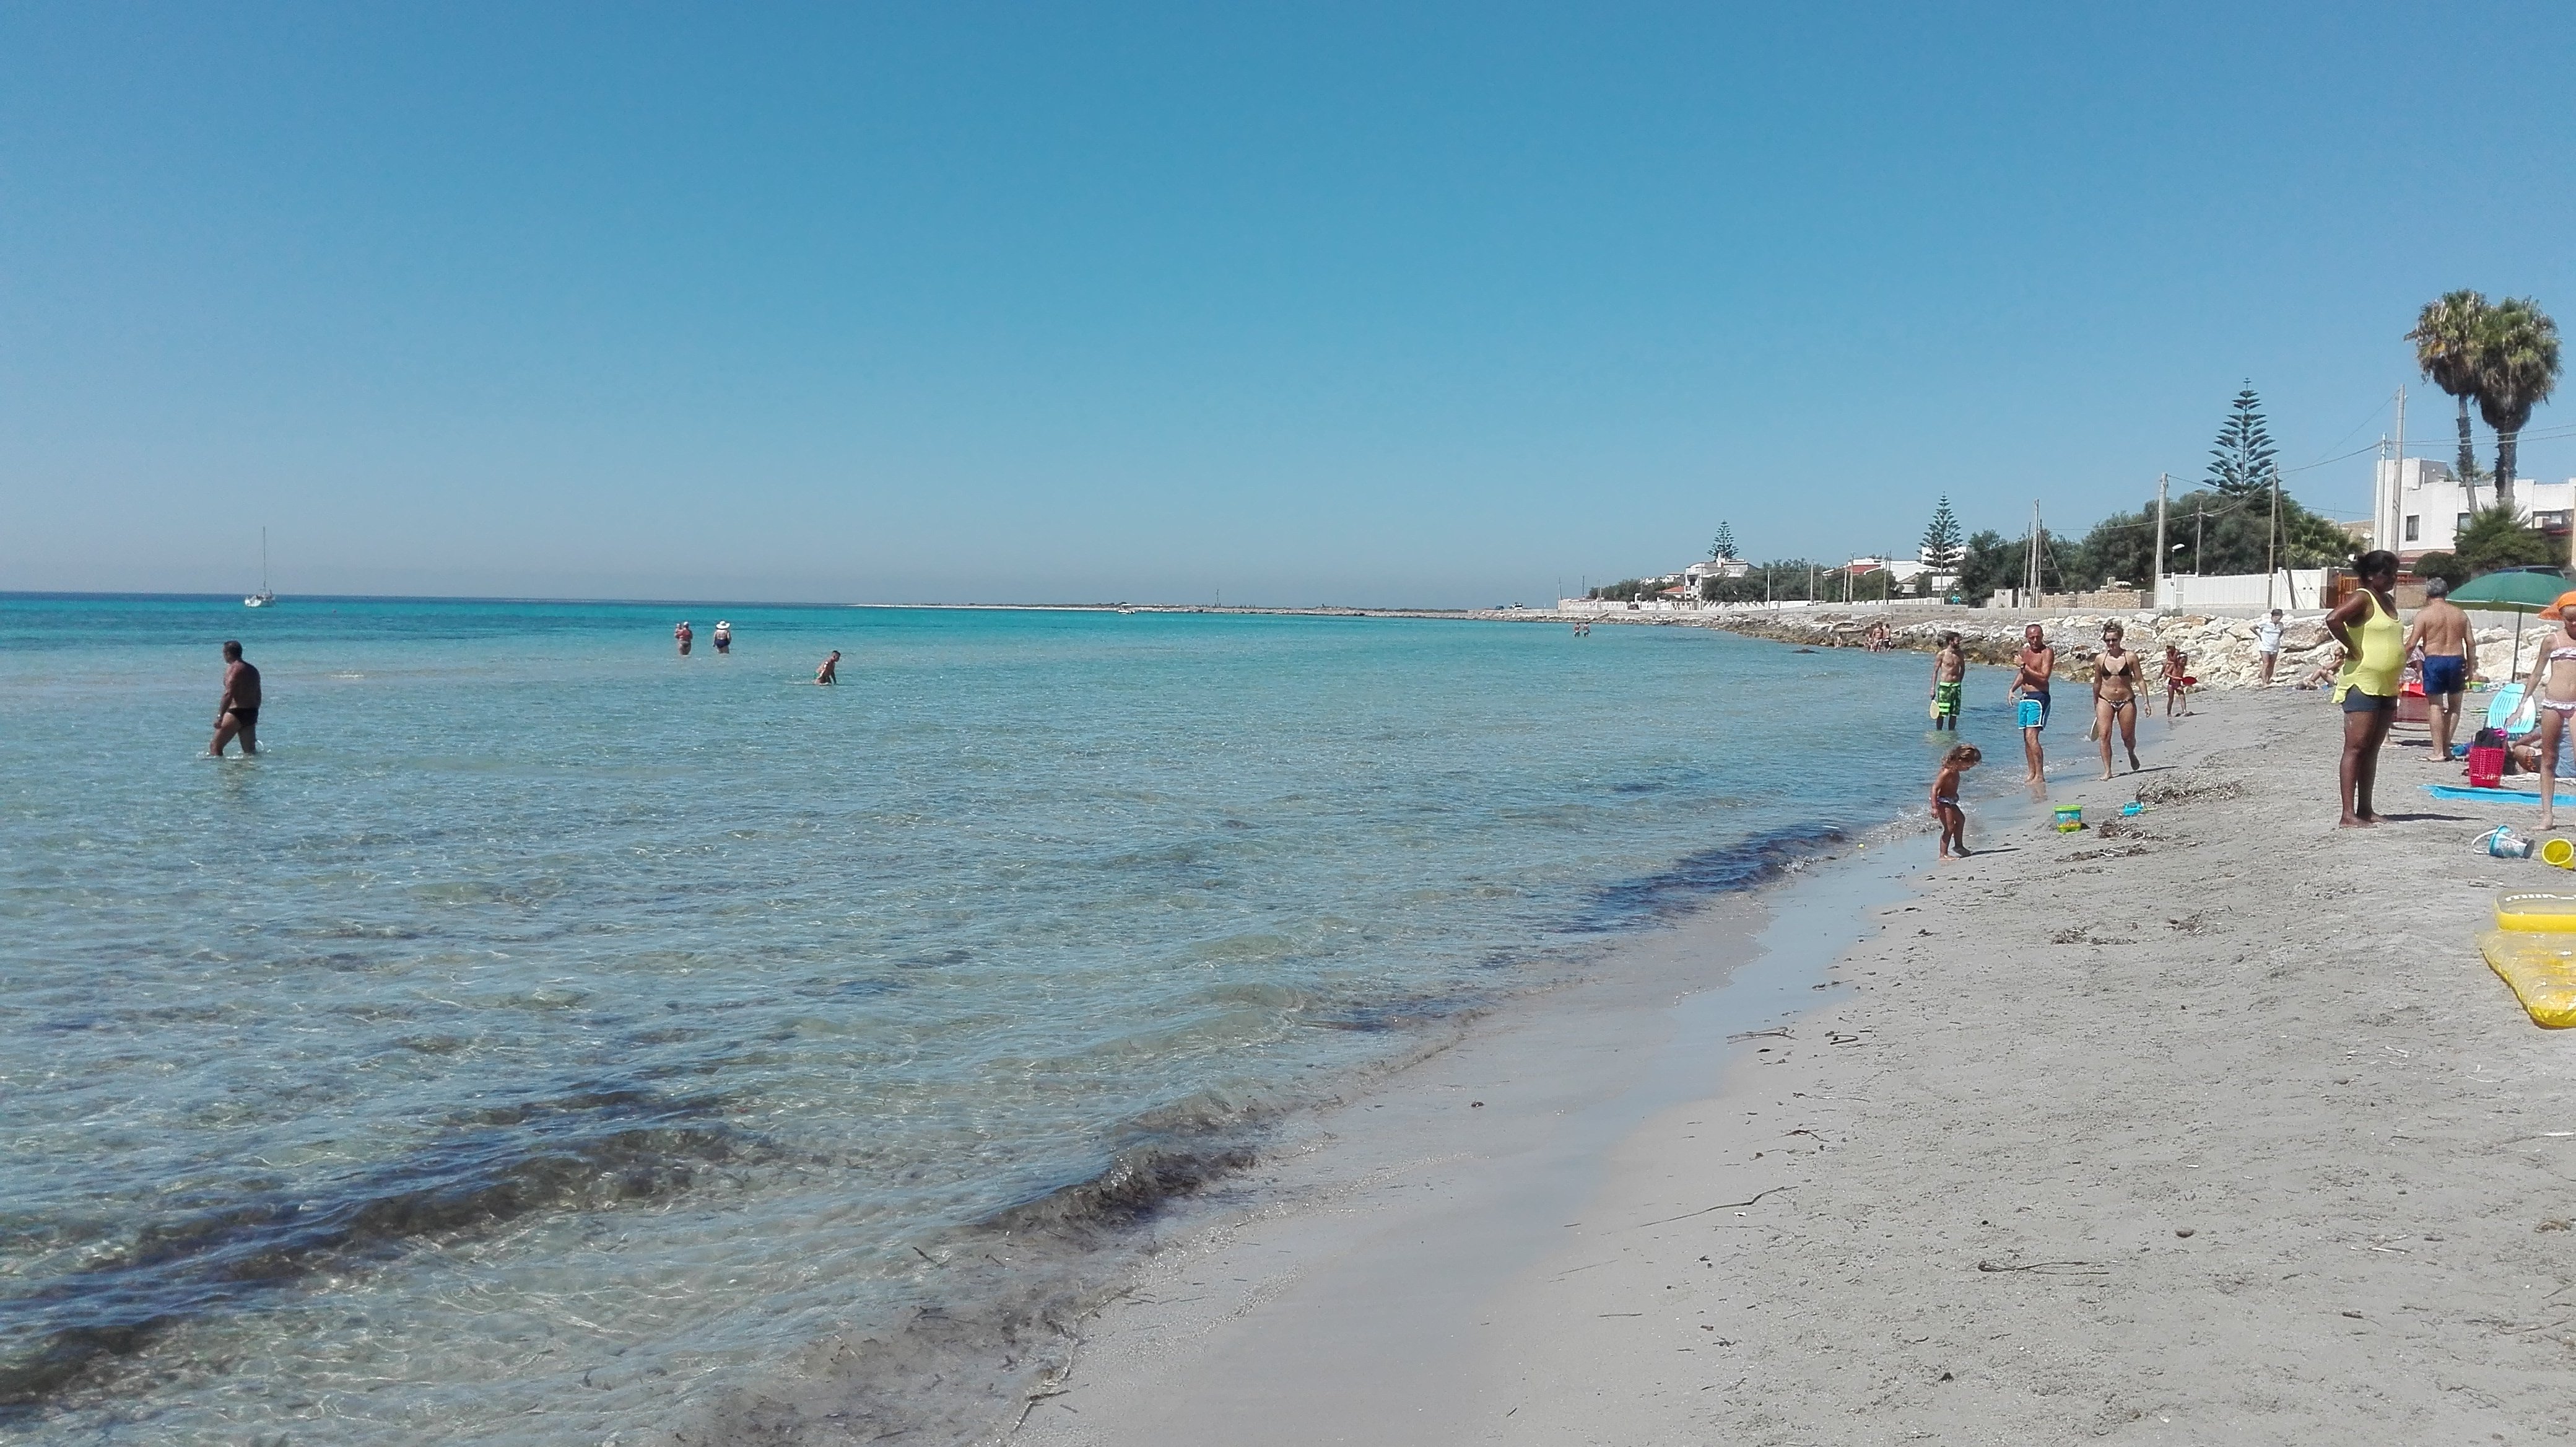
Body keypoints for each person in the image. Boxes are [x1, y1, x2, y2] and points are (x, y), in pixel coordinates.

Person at [2325, 550, 2405, 828]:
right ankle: (2348, 814)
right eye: (2389, 574)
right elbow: (2334, 619)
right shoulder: (2363, 597)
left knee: (2373, 749)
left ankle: (2366, 809)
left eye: (2395, 573)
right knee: (2356, 747)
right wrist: (2352, 647)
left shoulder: (2388, 600)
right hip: (2362, 682)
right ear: (2372, 575)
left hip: (2387, 685)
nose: (2394, 578)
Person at [2401, 577, 2471, 762]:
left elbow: (2411, 644)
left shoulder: (2424, 615)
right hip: (2457, 659)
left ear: (2427, 595)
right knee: (2455, 706)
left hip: (2435, 660)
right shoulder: (2461, 614)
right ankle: (2446, 748)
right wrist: (2471, 668)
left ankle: (2438, 751)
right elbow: (2471, 643)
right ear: (2447, 593)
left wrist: (2399, 664)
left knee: (2435, 705)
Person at [2534, 595, 2576, 831]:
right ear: (2562, 618)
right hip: (2553, 703)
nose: (2574, 624)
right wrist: (2522, 701)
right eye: (2570, 620)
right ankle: (2547, 815)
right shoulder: (2552, 641)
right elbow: (2537, 672)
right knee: (2548, 758)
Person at [2092, 622, 2145, 778]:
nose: (2111, 644)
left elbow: (2140, 680)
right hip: (2105, 699)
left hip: (2126, 700)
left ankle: (2130, 751)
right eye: (2107, 640)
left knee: (2127, 737)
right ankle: (2108, 770)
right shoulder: (2100, 659)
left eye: (2114, 640)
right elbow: (2097, 683)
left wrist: (2146, 702)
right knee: (2104, 735)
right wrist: (2095, 703)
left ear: (2120, 639)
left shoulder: (2130, 657)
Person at [2010, 623, 2053, 785]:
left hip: (2039, 697)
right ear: (2027, 638)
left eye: (2038, 637)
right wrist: (2012, 689)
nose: (2035, 640)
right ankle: (2032, 772)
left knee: (2032, 737)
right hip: (2025, 697)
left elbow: (2044, 677)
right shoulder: (2025, 652)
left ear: (2042, 636)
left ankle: (2040, 775)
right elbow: (2023, 674)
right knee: (2025, 738)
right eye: (2032, 637)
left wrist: (2023, 666)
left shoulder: (2047, 652)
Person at [208, 640, 261, 757]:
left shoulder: (233, 669)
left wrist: (220, 716)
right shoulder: (253, 670)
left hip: (236, 713)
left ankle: (220, 773)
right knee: (250, 753)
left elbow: (228, 694)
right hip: (251, 712)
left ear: (228, 653)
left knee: (215, 747)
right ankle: (251, 774)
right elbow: (258, 695)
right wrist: (255, 714)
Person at [1932, 743, 1981, 860]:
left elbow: (1951, 786)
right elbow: (1935, 788)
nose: (1968, 769)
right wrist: (1934, 807)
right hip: (1942, 802)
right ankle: (1943, 854)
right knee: (1949, 827)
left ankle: (1959, 846)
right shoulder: (1947, 771)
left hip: (1951, 801)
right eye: (1968, 767)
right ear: (1960, 760)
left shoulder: (1955, 770)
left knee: (1961, 819)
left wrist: (1954, 794)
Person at [1928, 632, 1965, 732]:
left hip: (1956, 686)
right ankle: (1939, 733)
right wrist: (1932, 689)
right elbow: (1935, 672)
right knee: (1941, 713)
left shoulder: (1960, 654)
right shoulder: (1942, 654)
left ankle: (1951, 735)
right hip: (1945, 686)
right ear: (1951, 642)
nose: (1959, 643)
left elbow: (1963, 669)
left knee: (1954, 713)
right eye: (1957, 641)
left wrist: (1959, 682)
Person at [2255, 608, 2287, 686]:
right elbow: (2252, 628)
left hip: (2275, 647)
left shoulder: (2280, 625)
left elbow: (2282, 632)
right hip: (2265, 647)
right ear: (2273, 616)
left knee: (2272, 665)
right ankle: (2264, 683)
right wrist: (2259, 635)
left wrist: (2277, 638)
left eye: (2280, 617)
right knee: (2266, 663)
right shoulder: (2265, 623)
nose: (2278, 619)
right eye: (2277, 617)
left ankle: (2267, 679)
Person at [2161, 643, 2194, 717]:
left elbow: (2181, 677)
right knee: (2171, 699)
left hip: (2178, 684)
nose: (2184, 663)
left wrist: (2186, 683)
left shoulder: (2183, 668)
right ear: (2178, 660)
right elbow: (2167, 673)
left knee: (2182, 696)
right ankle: (2169, 713)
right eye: (2182, 661)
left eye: (2185, 662)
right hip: (2171, 684)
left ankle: (2184, 711)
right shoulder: (2174, 666)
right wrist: (2175, 678)